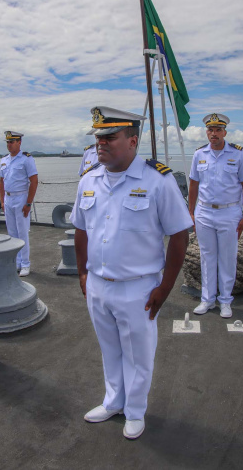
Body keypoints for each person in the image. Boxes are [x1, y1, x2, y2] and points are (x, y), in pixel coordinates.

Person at [71, 106, 192, 440]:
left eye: (110, 137)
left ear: (133, 141)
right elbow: (80, 229)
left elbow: (179, 234)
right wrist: (82, 274)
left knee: (138, 356)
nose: (101, 144)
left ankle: (135, 410)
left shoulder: (158, 180)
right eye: (98, 138)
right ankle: (114, 401)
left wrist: (165, 287)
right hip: (97, 284)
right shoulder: (89, 180)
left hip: (138, 288)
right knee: (109, 350)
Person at [188, 113, 243, 319]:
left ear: (224, 132)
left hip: (229, 212)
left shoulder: (238, 155)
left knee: (227, 258)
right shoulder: (199, 155)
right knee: (207, 257)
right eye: (210, 130)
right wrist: (191, 212)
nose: (213, 134)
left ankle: (225, 300)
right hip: (204, 212)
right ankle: (207, 299)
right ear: (206, 132)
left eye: (217, 130)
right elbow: (193, 185)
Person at [0, 130, 38, 277]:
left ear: (19, 142)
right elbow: (1, 181)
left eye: (12, 142)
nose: (9, 145)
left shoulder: (26, 159)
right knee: (12, 233)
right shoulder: (4, 160)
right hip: (8, 199)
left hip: (21, 197)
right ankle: (16, 262)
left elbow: (34, 181)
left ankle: (26, 264)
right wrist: (2, 201)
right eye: (7, 142)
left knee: (22, 233)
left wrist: (28, 203)